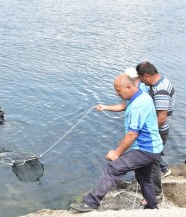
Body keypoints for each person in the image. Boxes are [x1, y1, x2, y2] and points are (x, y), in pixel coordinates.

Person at [70, 74, 163, 212]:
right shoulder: (138, 96)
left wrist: (116, 153)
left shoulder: (139, 104)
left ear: (129, 87)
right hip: (153, 147)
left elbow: (132, 134)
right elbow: (124, 106)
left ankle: (91, 203)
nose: (117, 93)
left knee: (113, 168)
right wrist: (106, 107)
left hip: (146, 149)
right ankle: (151, 206)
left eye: (118, 90)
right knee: (144, 178)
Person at [136, 61, 176, 201]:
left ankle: (156, 194)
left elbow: (161, 118)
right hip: (157, 130)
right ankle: (153, 183)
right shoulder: (159, 83)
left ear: (146, 76)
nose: (140, 81)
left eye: (140, 78)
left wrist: (144, 131)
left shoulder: (161, 90)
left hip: (158, 131)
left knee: (152, 162)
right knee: (153, 159)